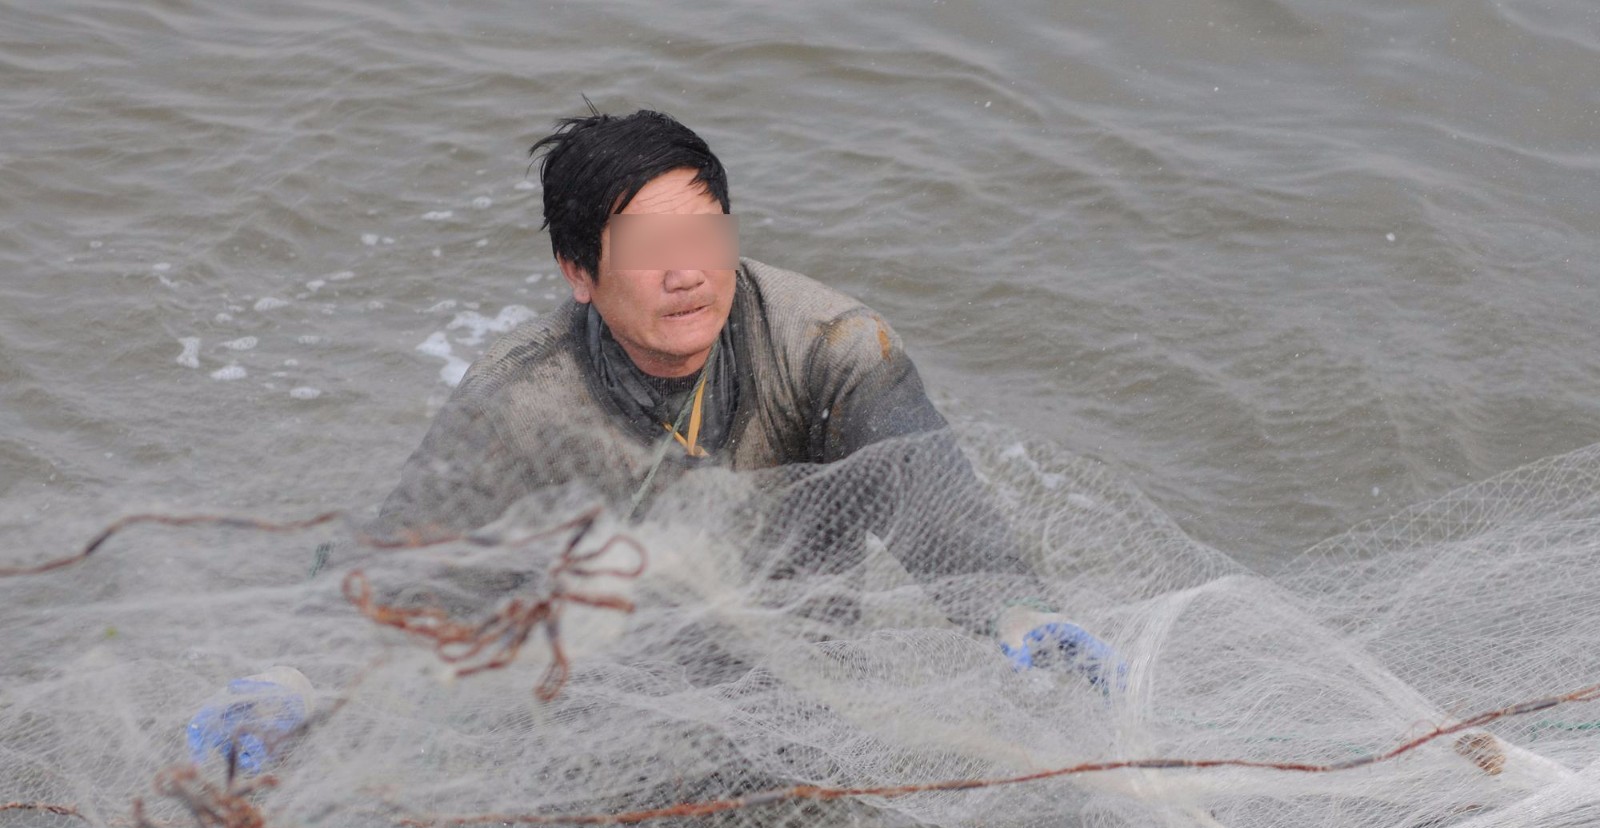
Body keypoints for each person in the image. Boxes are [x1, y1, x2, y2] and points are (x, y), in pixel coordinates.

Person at [189, 108, 1120, 773]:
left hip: (809, 721)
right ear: (579, 272)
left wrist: (1025, 618)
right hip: (604, 736)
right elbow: (409, 568)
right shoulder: (525, 401)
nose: (686, 276)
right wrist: (290, 678)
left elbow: (941, 516)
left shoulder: (833, 347)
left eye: (705, 237)